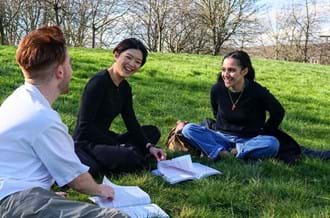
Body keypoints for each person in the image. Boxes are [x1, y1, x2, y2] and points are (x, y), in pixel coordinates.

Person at [0, 26, 128, 217]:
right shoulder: (42, 118)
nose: (71, 68)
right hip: (11, 200)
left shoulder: (18, 98)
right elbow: (78, 180)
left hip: (16, 190)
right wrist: (102, 190)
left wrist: (45, 195)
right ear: (60, 72)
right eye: (70, 63)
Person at [73, 38, 166, 177]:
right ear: (116, 55)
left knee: (152, 132)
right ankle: (131, 157)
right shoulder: (98, 83)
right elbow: (85, 126)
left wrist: (149, 146)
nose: (132, 64)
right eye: (128, 57)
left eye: (137, 62)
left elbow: (131, 121)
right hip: (87, 142)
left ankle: (137, 154)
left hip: (108, 138)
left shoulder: (125, 88)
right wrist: (117, 146)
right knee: (129, 156)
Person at [181, 50, 285, 160]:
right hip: (221, 137)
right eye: (223, 69)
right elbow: (216, 113)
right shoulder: (217, 89)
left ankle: (233, 151)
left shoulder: (257, 91)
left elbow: (278, 112)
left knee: (272, 143)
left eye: (231, 70)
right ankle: (222, 152)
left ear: (244, 71)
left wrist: (265, 131)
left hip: (249, 140)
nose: (226, 74)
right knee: (188, 129)